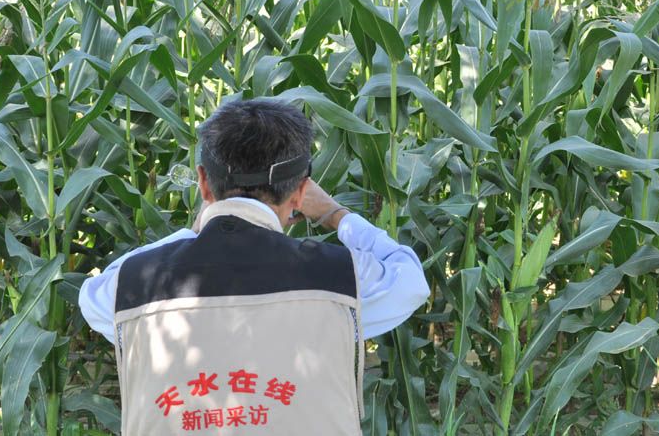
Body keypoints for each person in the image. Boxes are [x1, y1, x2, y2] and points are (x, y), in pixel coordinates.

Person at [78, 99, 430, 435]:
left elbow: (95, 292)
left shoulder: (134, 286)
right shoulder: (341, 279)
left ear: (203, 183)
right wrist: (336, 215)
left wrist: (193, 230)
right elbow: (410, 280)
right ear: (300, 192)